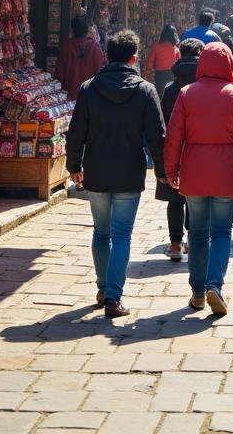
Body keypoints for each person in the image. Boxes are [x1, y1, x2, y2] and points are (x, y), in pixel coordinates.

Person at [66, 29, 166, 319]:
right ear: (134, 57)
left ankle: (102, 287)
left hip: (96, 169)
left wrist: (74, 166)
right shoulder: (145, 90)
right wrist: (162, 172)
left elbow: (76, 132)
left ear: (107, 55)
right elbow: (157, 136)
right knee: (121, 234)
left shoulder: (89, 88)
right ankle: (113, 296)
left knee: (101, 231)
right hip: (129, 171)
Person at [164, 42, 233, 316]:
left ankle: (197, 291)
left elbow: (173, 137)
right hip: (227, 173)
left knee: (197, 232)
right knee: (220, 233)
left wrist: (171, 170)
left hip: (194, 173)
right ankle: (214, 285)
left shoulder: (186, 93)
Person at [158, 38, 203, 260]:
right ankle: (193, 241)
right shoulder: (205, 87)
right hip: (200, 149)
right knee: (196, 199)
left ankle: (175, 244)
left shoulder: (170, 88)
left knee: (175, 199)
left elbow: (165, 120)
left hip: (175, 149)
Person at [55, 15, 106, 98]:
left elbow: (59, 74)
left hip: (68, 96)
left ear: (72, 30)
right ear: (87, 31)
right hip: (89, 95)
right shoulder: (94, 47)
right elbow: (100, 73)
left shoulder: (66, 47)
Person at [147, 25, 180, 94]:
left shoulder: (156, 47)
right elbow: (178, 63)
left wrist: (150, 72)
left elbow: (150, 63)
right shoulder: (175, 49)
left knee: (161, 94)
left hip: (159, 75)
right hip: (172, 74)